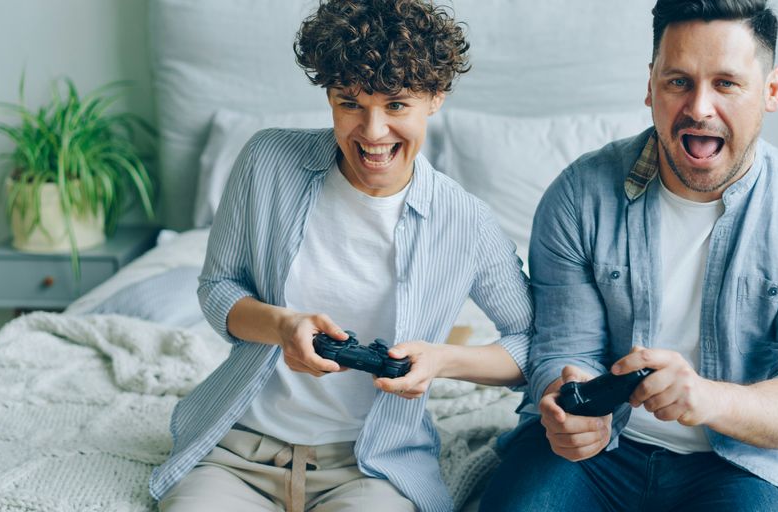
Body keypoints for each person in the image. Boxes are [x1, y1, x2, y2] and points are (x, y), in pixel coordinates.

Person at [480, 0, 778, 510]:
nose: (700, 107)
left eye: (726, 83)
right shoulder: (578, 195)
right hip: (594, 457)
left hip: (730, 465)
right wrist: (565, 400)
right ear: (651, 84)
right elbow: (563, 345)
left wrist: (706, 398)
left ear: (771, 90)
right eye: (678, 81)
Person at [149, 1, 533, 511]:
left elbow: (534, 345)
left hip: (372, 467)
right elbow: (219, 287)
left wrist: (442, 361)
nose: (372, 133)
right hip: (236, 453)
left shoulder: (467, 223)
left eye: (396, 105)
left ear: (436, 97)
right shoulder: (266, 162)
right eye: (349, 102)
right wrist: (283, 326)